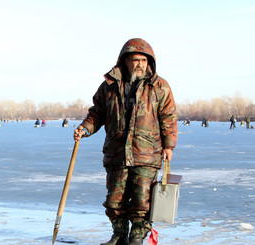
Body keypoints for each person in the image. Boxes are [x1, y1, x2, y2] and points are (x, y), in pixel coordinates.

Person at [73, 38, 178, 245]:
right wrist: (85, 128)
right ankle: (119, 234)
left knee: (142, 200)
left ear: (150, 62)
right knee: (115, 199)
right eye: (135, 60)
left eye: (143, 60)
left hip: (147, 152)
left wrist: (168, 145)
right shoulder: (109, 86)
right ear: (124, 61)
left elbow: (169, 116)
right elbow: (98, 112)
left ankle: (137, 236)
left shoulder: (159, 86)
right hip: (117, 152)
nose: (140, 64)